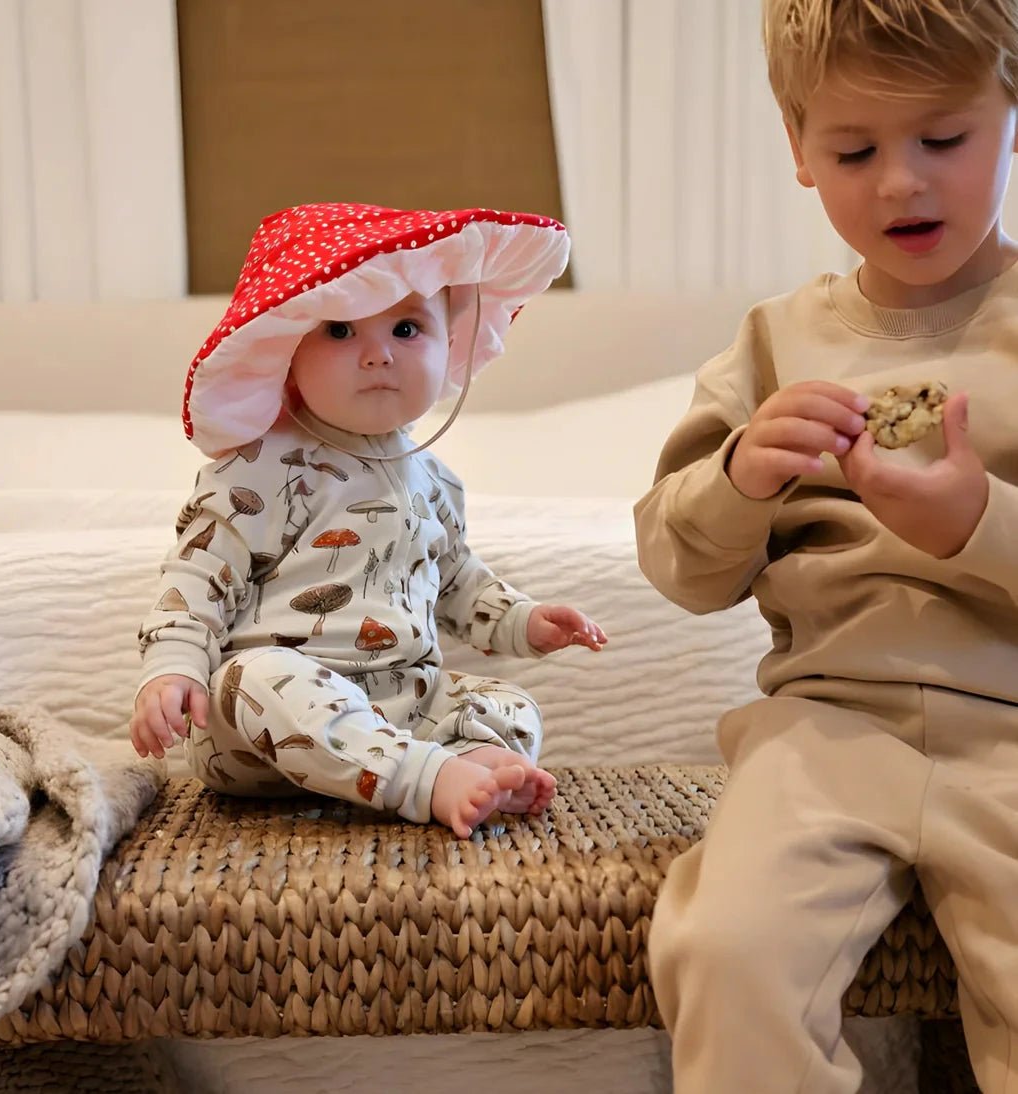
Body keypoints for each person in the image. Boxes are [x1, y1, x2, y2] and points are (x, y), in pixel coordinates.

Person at [634, 1, 1018, 1090]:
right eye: (854, 149)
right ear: (799, 149)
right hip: (825, 724)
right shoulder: (770, 343)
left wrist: (973, 523)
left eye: (941, 139)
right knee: (721, 947)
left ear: (1009, 116)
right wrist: (738, 478)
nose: (900, 182)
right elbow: (678, 565)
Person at [130, 203, 607, 840]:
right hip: (269, 725)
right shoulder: (259, 464)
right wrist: (172, 666)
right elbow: (198, 573)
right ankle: (426, 779)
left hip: (398, 701)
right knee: (255, 679)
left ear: (449, 346)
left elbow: (458, 580)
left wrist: (524, 620)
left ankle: (463, 762)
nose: (378, 355)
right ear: (287, 350)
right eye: (339, 331)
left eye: (407, 330)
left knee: (509, 704)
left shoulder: (434, 480)